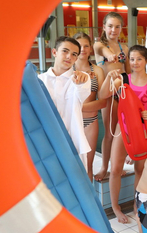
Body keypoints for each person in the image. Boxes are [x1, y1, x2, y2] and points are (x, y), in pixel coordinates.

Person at [99, 45, 147, 224]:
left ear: (146, 60)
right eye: (132, 59)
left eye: (139, 59)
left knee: (140, 170)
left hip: (142, 133)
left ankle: (136, 204)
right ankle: (116, 208)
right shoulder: (122, 80)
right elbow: (103, 95)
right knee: (116, 169)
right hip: (122, 129)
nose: (135, 63)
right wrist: (109, 78)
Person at [38, 36, 91, 168]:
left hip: (72, 140)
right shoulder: (40, 80)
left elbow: (82, 94)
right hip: (46, 140)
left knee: (77, 183)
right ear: (54, 52)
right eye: (65, 51)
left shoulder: (81, 79)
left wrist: (81, 83)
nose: (69, 57)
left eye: (74, 54)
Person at [93, 12, 130, 181]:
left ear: (121, 28)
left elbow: (129, 73)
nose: (113, 30)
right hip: (108, 93)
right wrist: (109, 55)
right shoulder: (99, 45)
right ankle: (104, 167)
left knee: (122, 131)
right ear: (104, 27)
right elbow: (104, 50)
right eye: (110, 26)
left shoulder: (125, 49)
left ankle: (118, 165)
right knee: (109, 133)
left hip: (123, 91)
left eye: (117, 26)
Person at [73, 32, 107, 182]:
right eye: (79, 46)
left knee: (88, 166)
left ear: (91, 48)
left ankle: (90, 204)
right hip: (71, 122)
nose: (83, 49)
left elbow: (103, 102)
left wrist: (80, 108)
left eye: (86, 45)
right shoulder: (68, 71)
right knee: (72, 166)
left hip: (90, 122)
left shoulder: (97, 71)